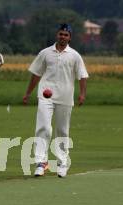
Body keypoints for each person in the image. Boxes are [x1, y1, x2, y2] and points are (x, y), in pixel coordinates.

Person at [22, 24, 88, 178]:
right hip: (46, 96)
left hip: (65, 97)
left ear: (70, 37)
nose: (62, 37)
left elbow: (82, 76)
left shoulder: (74, 55)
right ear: (56, 35)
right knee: (43, 127)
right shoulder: (45, 53)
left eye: (66, 35)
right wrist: (28, 93)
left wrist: (82, 94)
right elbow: (36, 74)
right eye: (60, 34)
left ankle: (62, 162)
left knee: (62, 130)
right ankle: (40, 162)